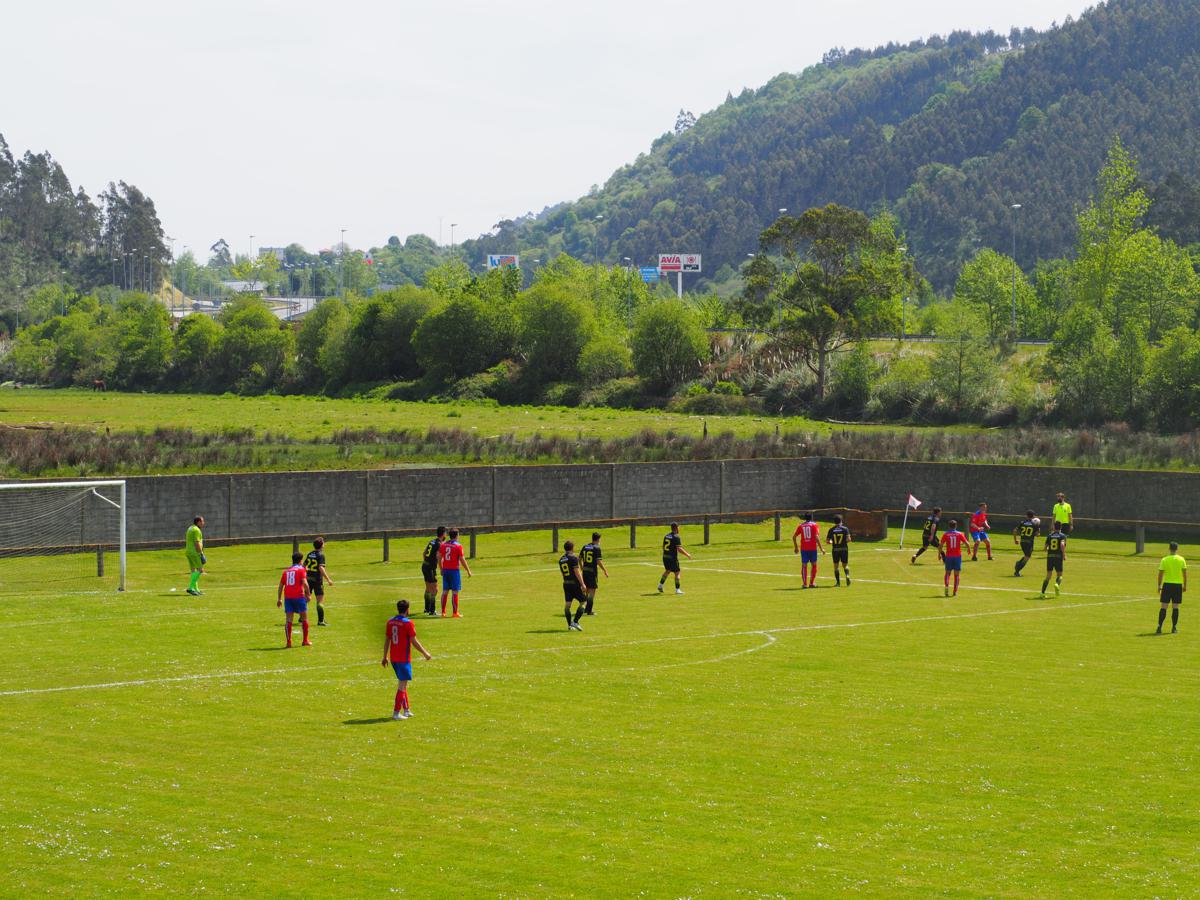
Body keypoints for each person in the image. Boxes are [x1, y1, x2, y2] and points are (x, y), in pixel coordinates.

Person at [381, 599, 432, 720]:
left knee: (402, 682)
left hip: (393, 658)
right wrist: (425, 653)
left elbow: (387, 639)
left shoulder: (390, 621)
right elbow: (414, 641)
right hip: (403, 658)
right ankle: (396, 713)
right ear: (408, 610)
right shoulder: (408, 623)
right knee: (402, 685)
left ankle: (406, 710)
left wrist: (384, 656)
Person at [277, 551, 313, 647]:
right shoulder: (301, 569)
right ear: (300, 560)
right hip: (299, 596)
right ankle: (305, 641)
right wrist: (308, 594)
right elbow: (305, 583)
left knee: (289, 619)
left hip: (288, 598)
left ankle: (289, 642)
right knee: (304, 618)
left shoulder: (286, 571)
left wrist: (279, 599)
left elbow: (281, 586)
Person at [439, 528, 472, 618]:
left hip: (446, 570)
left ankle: (443, 612)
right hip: (454, 571)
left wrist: (441, 568)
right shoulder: (458, 546)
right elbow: (462, 559)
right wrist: (468, 570)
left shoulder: (443, 544)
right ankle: (455, 613)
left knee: (445, 591)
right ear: (457, 535)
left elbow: (439, 557)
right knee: (455, 592)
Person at [1156, 542, 1186, 635]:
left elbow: (1160, 574)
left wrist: (1159, 585)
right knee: (1175, 607)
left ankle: (1159, 627)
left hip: (1167, 585)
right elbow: (1184, 574)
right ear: (1177, 549)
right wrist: (1185, 585)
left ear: (1169, 549)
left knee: (1164, 606)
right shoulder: (1181, 559)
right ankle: (1174, 628)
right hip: (1177, 585)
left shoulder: (1164, 559)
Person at [559, 540, 589, 631]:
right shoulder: (573, 558)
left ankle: (570, 625)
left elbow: (563, 573)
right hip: (574, 584)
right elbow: (577, 572)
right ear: (572, 548)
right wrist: (583, 584)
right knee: (583, 602)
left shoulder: (561, 559)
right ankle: (575, 622)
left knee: (567, 605)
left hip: (566, 583)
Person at [304, 537, 334, 626]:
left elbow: (304, 565)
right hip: (317, 581)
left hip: (308, 579)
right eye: (324, 543)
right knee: (319, 601)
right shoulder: (321, 555)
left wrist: (306, 574)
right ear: (321, 545)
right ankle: (320, 621)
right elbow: (321, 568)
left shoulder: (310, 554)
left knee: (306, 599)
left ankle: (302, 617)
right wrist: (328, 579)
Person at [792, 512, 826, 588]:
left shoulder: (801, 525)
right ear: (811, 517)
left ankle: (804, 584)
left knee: (804, 565)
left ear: (805, 518)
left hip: (804, 549)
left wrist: (796, 547)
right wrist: (821, 548)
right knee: (814, 565)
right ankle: (811, 583)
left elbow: (794, 537)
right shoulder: (814, 525)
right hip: (813, 548)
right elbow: (816, 537)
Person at [657, 522, 692, 595]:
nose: (679, 529)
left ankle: (660, 585)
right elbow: (679, 549)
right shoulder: (676, 537)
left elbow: (663, 547)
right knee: (677, 572)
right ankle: (677, 590)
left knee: (667, 571)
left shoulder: (666, 536)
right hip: (672, 558)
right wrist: (687, 554)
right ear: (676, 528)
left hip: (665, 557)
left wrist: (666, 553)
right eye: (678, 527)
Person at [580, 532, 608, 615]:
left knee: (587, 590)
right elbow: (598, 561)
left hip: (585, 572)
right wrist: (604, 570)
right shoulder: (596, 548)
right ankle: (589, 611)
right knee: (592, 591)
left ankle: (584, 608)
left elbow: (579, 558)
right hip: (592, 572)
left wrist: (582, 567)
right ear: (598, 539)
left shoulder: (585, 546)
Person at [421, 526, 446, 616]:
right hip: (430, 568)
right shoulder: (439, 544)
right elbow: (439, 558)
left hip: (424, 565)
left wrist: (427, 561)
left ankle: (426, 609)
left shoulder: (432, 541)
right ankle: (432, 611)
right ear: (443, 534)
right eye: (446, 533)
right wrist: (441, 569)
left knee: (428, 588)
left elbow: (424, 553)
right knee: (435, 589)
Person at [938, 519, 966, 597]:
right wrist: (968, 549)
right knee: (956, 575)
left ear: (949, 526)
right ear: (956, 526)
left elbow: (941, 545)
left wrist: (939, 554)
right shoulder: (960, 534)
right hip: (957, 556)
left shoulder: (946, 534)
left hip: (949, 556)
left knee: (947, 573)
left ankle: (946, 586)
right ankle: (955, 592)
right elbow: (966, 543)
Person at [1040, 521, 1067, 597]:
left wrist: (1048, 549)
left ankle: (1042, 593)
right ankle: (1057, 584)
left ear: (1054, 527)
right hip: (1058, 557)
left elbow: (1045, 548)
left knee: (1048, 576)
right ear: (1061, 527)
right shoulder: (1062, 536)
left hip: (1050, 557)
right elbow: (1062, 545)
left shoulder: (1050, 536)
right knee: (1060, 575)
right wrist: (1064, 555)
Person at [826, 514, 852, 586]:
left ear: (834, 522)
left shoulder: (831, 530)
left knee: (836, 566)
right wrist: (844, 541)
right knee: (845, 565)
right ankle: (847, 575)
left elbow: (828, 541)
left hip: (835, 549)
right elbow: (849, 539)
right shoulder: (845, 529)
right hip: (844, 549)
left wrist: (832, 542)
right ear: (841, 521)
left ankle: (838, 583)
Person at [1012, 510, 1040, 577]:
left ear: (1026, 516)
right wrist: (1038, 528)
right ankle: (1017, 570)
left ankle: (1018, 564)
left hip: (1022, 542)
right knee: (1027, 557)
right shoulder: (1034, 524)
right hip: (1029, 543)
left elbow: (1015, 530)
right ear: (1033, 516)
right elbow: (1037, 535)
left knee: (1026, 556)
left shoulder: (1022, 523)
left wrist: (1015, 540)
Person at [185, 515, 206, 596]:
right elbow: (197, 543)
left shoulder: (190, 528)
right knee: (200, 570)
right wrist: (201, 554)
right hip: (194, 552)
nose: (203, 523)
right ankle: (190, 588)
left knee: (193, 571)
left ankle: (196, 589)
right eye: (202, 521)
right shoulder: (197, 530)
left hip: (188, 551)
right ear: (198, 522)